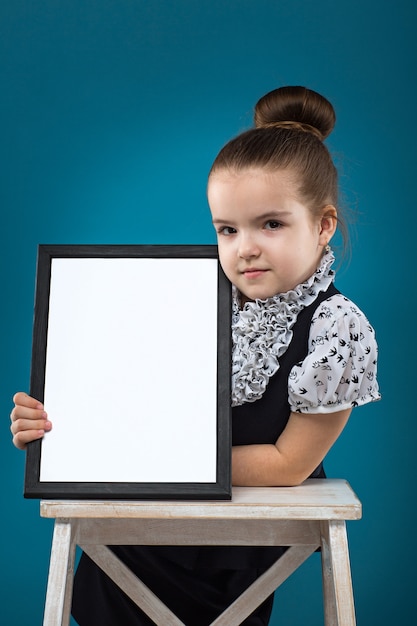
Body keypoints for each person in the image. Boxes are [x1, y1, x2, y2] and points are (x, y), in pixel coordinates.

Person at [10, 85, 380, 625]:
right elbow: (126, 395)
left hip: (238, 542)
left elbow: (288, 464)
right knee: (100, 596)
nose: (244, 247)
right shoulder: (189, 297)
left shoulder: (336, 329)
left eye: (271, 224)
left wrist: (155, 462)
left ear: (323, 225)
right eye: (227, 230)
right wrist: (61, 434)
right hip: (142, 527)